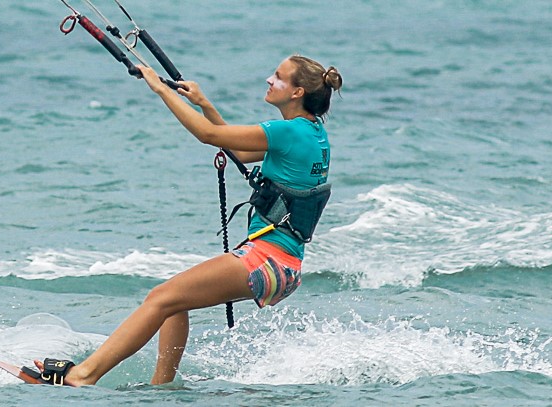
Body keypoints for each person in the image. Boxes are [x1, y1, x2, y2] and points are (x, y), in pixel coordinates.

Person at [26, 56, 342, 386]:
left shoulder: (286, 132)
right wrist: (203, 102)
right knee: (174, 303)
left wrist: (161, 90)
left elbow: (208, 136)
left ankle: (84, 375)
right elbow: (235, 148)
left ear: (297, 92)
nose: (268, 80)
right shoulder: (314, 134)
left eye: (278, 77)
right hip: (284, 265)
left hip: (265, 260)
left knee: (159, 298)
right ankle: (161, 388)